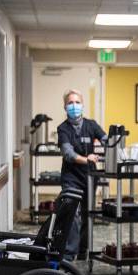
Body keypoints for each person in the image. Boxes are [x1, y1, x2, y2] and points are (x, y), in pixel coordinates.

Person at [56, 90, 106, 260]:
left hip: (89, 178)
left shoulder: (91, 125)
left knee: (87, 215)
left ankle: (84, 251)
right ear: (65, 106)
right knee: (73, 215)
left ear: (83, 105)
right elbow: (68, 154)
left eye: (77, 102)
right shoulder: (63, 129)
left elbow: (107, 139)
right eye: (70, 103)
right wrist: (87, 159)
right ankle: (70, 254)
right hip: (71, 178)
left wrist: (112, 143)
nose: (74, 106)